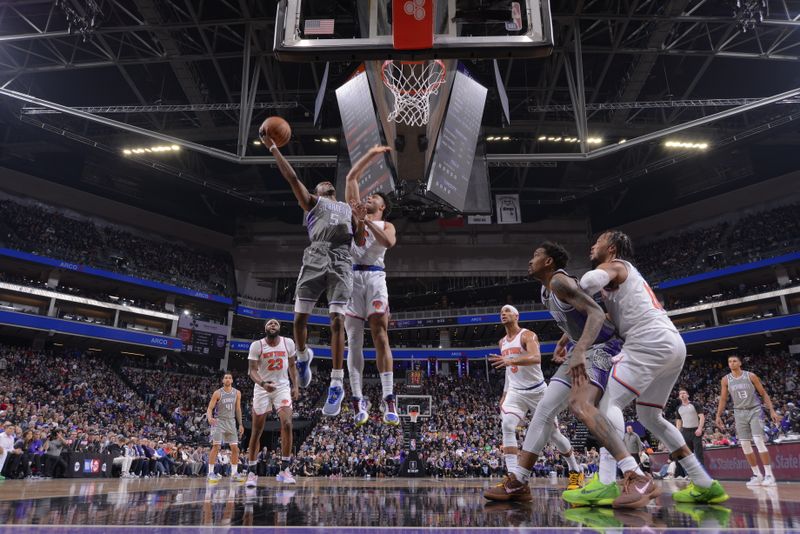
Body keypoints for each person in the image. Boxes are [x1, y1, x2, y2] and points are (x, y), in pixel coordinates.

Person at [579, 230, 728, 507]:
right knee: (649, 416)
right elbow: (606, 318)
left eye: (598, 241)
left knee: (608, 403)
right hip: (671, 343)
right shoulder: (624, 280)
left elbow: (588, 281)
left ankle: (608, 481)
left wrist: (570, 290)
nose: (592, 245)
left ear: (610, 248)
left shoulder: (613, 266)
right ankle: (705, 484)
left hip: (648, 341)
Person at [484, 242, 624, 505]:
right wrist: (565, 339)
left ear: (549, 262)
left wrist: (579, 348)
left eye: (536, 255)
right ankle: (518, 482)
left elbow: (595, 312)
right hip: (577, 349)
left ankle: (628, 473)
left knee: (587, 409)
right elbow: (577, 317)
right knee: (543, 413)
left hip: (602, 347)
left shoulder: (560, 281)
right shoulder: (545, 290)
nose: (530, 260)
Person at [262, 128, 374, 417]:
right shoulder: (313, 202)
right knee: (299, 319)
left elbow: (360, 242)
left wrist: (361, 222)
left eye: (328, 183)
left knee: (337, 320)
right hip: (315, 256)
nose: (325, 181)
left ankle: (337, 383)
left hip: (340, 260)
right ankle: (302, 356)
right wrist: (274, 149)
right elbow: (292, 178)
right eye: (320, 183)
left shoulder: (349, 209)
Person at [483, 304, 582, 502]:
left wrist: (511, 361)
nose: (503, 313)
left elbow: (535, 357)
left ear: (516, 315)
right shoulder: (502, 341)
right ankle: (514, 479)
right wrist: (504, 392)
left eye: (508, 311)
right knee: (507, 425)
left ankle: (575, 469)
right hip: (516, 392)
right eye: (501, 311)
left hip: (538, 391)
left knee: (554, 435)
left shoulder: (528, 335)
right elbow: (509, 371)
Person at [343, 148, 398, 426]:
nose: (369, 197)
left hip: (376, 278)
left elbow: (388, 243)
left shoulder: (386, 224)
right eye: (368, 195)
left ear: (383, 206)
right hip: (352, 279)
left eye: (375, 197)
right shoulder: (356, 216)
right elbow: (353, 176)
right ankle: (357, 399)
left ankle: (389, 397)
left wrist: (367, 222)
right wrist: (372, 153)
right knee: (353, 342)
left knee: (380, 334)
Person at [246, 319, 300, 486]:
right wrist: (263, 384)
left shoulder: (288, 343)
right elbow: (252, 371)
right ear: (265, 328)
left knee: (288, 424)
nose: (273, 325)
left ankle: (284, 469)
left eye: (275, 324)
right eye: (270, 324)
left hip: (282, 387)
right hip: (262, 388)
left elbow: (292, 366)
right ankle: (252, 472)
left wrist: (295, 386)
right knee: (256, 431)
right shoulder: (257, 345)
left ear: (279, 328)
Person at [716, 355, 780, 487]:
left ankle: (769, 475)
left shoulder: (750, 376)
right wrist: (718, 415)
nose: (731, 363)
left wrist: (772, 410)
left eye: (734, 361)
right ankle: (757, 475)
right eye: (729, 361)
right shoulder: (725, 380)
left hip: (755, 410)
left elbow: (763, 393)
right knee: (744, 444)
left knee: (758, 440)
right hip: (739, 412)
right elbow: (723, 399)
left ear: (740, 363)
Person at [205, 372, 245, 484]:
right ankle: (210, 473)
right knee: (216, 446)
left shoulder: (237, 393)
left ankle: (234, 473)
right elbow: (209, 408)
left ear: (232, 380)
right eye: (226, 378)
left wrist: (240, 424)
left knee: (235, 449)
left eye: (230, 378)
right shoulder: (217, 393)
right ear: (223, 380)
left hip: (231, 422)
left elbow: (238, 409)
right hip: (219, 421)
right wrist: (209, 417)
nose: (227, 379)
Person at [675, 389, 705, 477]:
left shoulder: (695, 404)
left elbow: (702, 417)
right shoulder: (678, 408)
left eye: (684, 393)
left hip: (696, 431)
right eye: (680, 394)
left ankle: (702, 474)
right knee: (688, 455)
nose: (682, 395)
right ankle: (691, 474)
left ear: (688, 395)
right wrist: (678, 432)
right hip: (685, 432)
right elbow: (679, 421)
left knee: (699, 454)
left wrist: (700, 428)